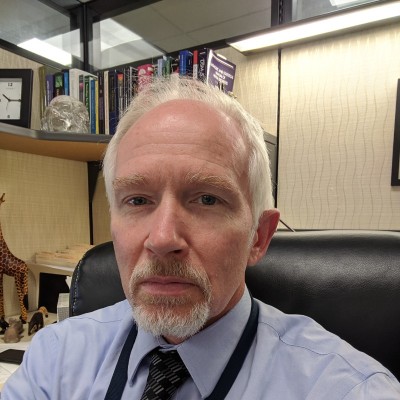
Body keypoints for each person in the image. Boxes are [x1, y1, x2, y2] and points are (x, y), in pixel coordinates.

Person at [2, 77, 400, 399]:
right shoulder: (54, 360)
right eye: (137, 200)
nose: (162, 238)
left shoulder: (348, 390)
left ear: (259, 237)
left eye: (207, 199)